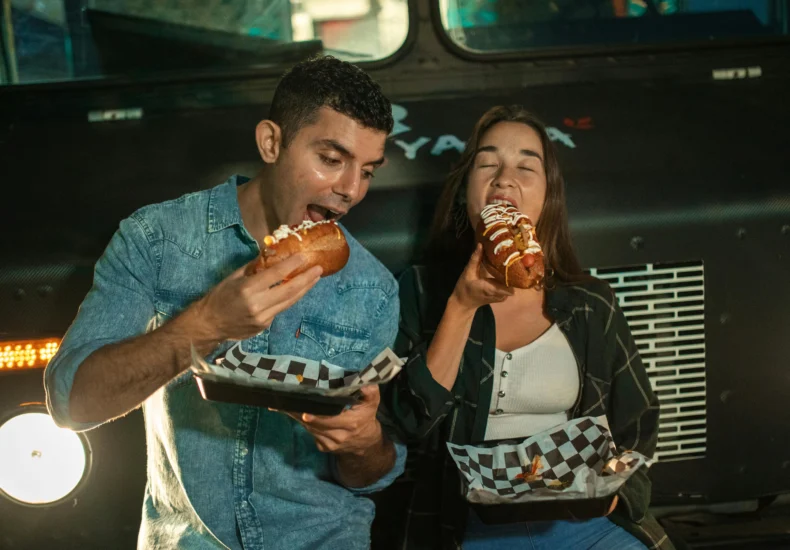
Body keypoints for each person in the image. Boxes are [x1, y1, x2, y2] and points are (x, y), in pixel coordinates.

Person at [44, 55, 406, 550]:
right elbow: (72, 403)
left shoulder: (374, 289)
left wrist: (365, 445)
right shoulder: (156, 239)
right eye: (331, 159)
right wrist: (208, 322)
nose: (350, 190)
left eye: (367, 170)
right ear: (271, 142)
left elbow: (370, 477)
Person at [375, 105, 673, 549]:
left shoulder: (591, 305)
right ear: (464, 193)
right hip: (463, 527)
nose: (504, 178)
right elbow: (402, 423)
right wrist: (460, 306)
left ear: (548, 195)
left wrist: (611, 498)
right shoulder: (421, 289)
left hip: (582, 525)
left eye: (526, 166)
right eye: (488, 163)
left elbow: (638, 427)